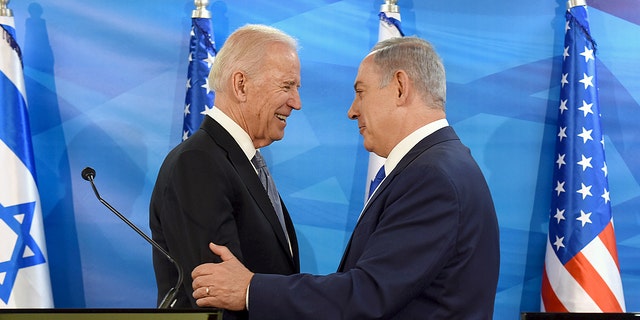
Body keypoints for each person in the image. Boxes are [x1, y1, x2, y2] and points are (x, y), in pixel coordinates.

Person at [190, 36, 500, 319]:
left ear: (400, 87)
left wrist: (249, 289)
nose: (352, 111)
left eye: (360, 92)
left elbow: (368, 294)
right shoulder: (440, 164)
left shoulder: (432, 177)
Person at [149, 24, 302, 318]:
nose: (296, 102)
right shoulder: (198, 164)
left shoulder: (239, 161)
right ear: (241, 85)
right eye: (286, 86)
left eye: (297, 88)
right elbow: (216, 300)